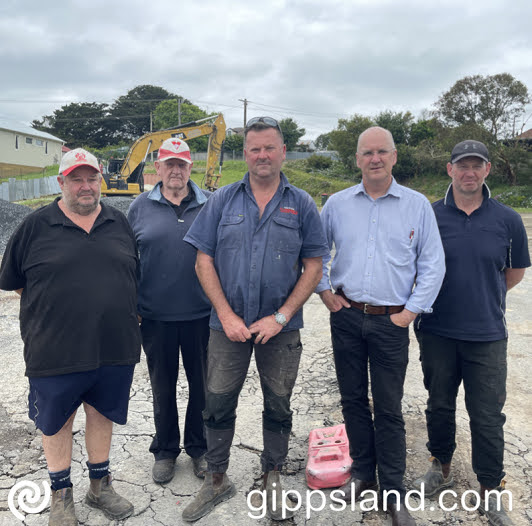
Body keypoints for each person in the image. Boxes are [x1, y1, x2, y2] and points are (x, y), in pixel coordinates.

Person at [181, 116, 329, 521]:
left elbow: (314, 266)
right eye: (254, 149)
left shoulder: (301, 204)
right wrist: (226, 315)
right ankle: (217, 479)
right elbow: (203, 260)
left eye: (270, 148)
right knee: (217, 402)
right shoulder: (222, 200)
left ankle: (272, 475)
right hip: (226, 327)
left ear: (283, 151)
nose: (262, 155)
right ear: (245, 154)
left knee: (278, 403)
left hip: (280, 331)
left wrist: (281, 317)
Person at [0, 148, 141, 525]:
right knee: (58, 421)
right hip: (54, 349)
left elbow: (132, 275)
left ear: (101, 182)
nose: (85, 186)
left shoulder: (118, 223)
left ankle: (100, 486)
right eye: (76, 179)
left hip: (113, 346)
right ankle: (61, 496)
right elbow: (14, 282)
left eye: (91, 178)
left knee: (101, 413)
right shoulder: (34, 226)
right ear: (61, 183)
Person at [316, 127, 445, 526]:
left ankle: (392, 490)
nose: (374, 159)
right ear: (357, 159)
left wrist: (410, 313)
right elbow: (317, 252)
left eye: (382, 152)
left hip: (392, 321)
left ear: (394, 157)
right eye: (367, 152)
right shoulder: (337, 205)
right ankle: (361, 474)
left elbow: (432, 264)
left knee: (389, 408)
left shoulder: (416, 205)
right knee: (353, 400)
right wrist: (325, 292)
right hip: (347, 316)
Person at [413, 140, 530, 526]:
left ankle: (490, 488)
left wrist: (483, 296)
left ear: (487, 169)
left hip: (487, 335)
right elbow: (415, 269)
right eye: (461, 165)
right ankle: (440, 466)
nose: (469, 172)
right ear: (450, 170)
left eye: (475, 165)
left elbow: (513, 274)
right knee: (439, 404)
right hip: (437, 331)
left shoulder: (508, 219)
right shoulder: (429, 216)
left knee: (486, 415)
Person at [127, 138, 210, 484]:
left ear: (192, 168)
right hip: (155, 317)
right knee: (163, 386)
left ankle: (199, 448)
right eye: (169, 164)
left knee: (203, 387)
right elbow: (127, 261)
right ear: (157, 169)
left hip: (204, 315)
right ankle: (165, 450)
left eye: (182, 164)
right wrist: (131, 306)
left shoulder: (211, 204)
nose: (176, 170)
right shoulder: (138, 208)